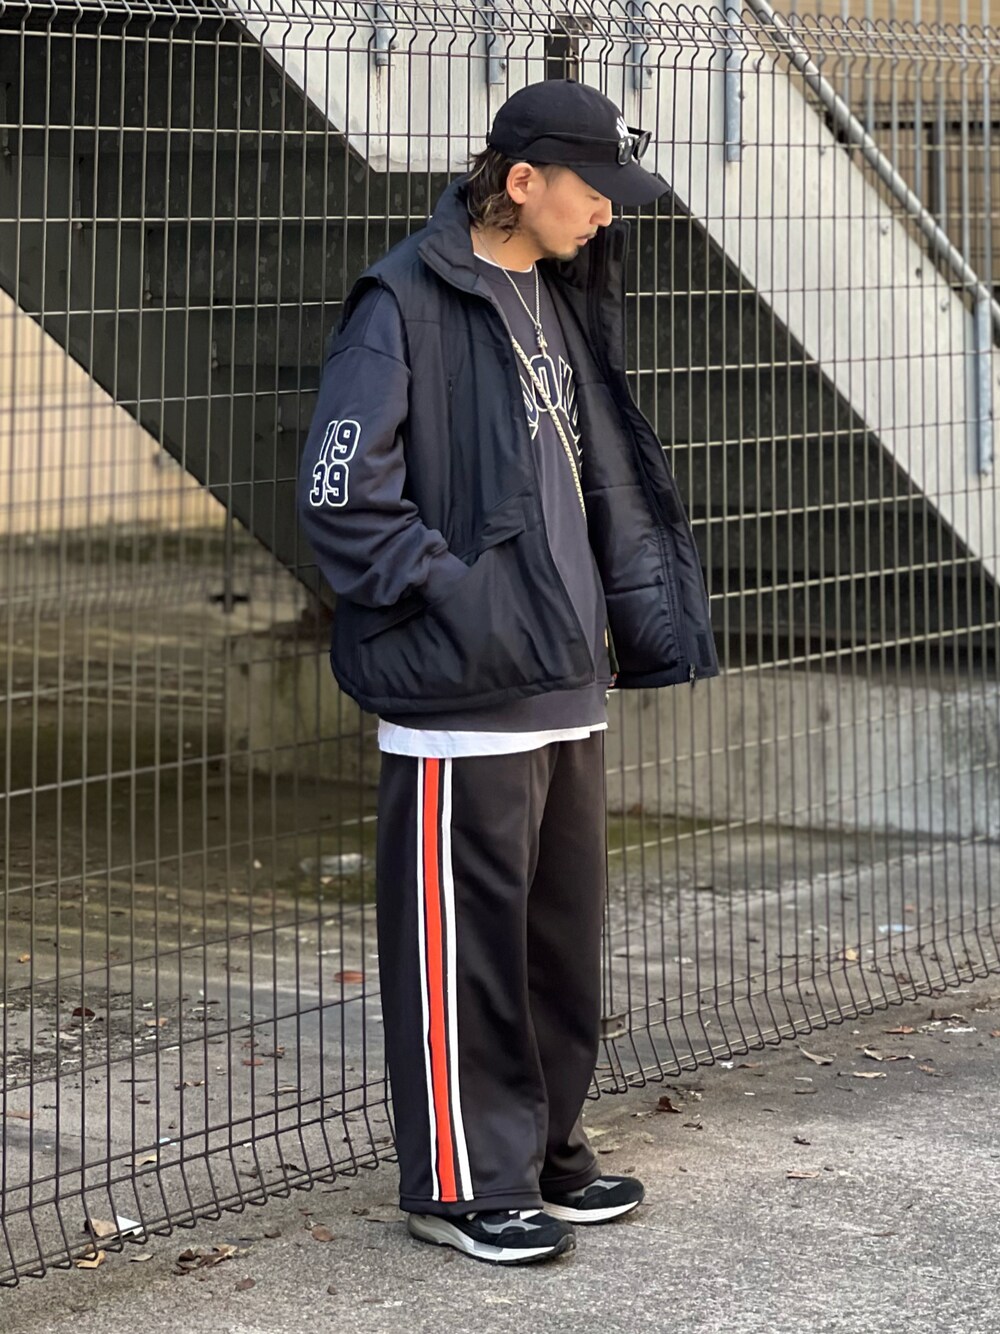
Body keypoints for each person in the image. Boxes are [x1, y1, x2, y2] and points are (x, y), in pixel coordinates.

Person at [298, 78, 719, 1266]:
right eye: (593, 188)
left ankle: (540, 1152)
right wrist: (462, 597)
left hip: (561, 676)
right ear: (521, 180)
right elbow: (341, 496)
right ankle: (459, 1181)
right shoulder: (403, 301)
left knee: (554, 945)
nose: (609, 211)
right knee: (464, 950)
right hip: (462, 690)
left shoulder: (559, 292)